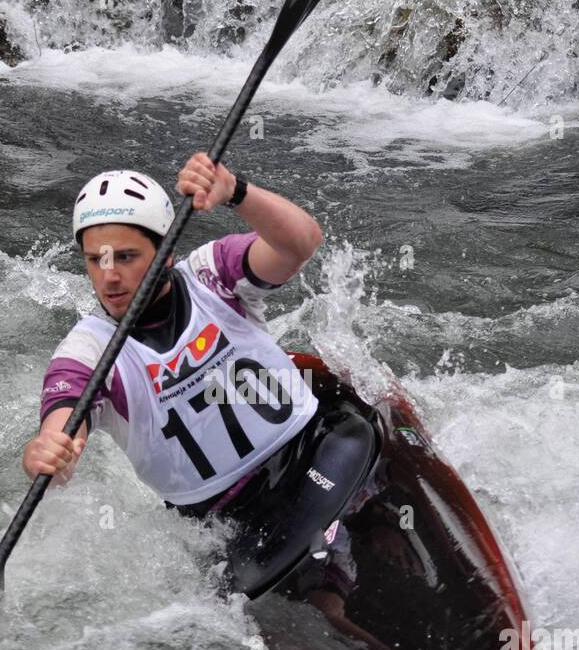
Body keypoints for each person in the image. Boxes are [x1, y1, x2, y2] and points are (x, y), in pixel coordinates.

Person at [23, 154, 377, 604]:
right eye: (96, 260)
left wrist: (236, 191)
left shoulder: (213, 274)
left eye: (126, 257)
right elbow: (59, 433)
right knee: (317, 599)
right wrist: (47, 454)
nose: (108, 276)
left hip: (317, 450)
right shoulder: (87, 352)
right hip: (227, 522)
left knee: (352, 523)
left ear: (167, 251)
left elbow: (301, 243)